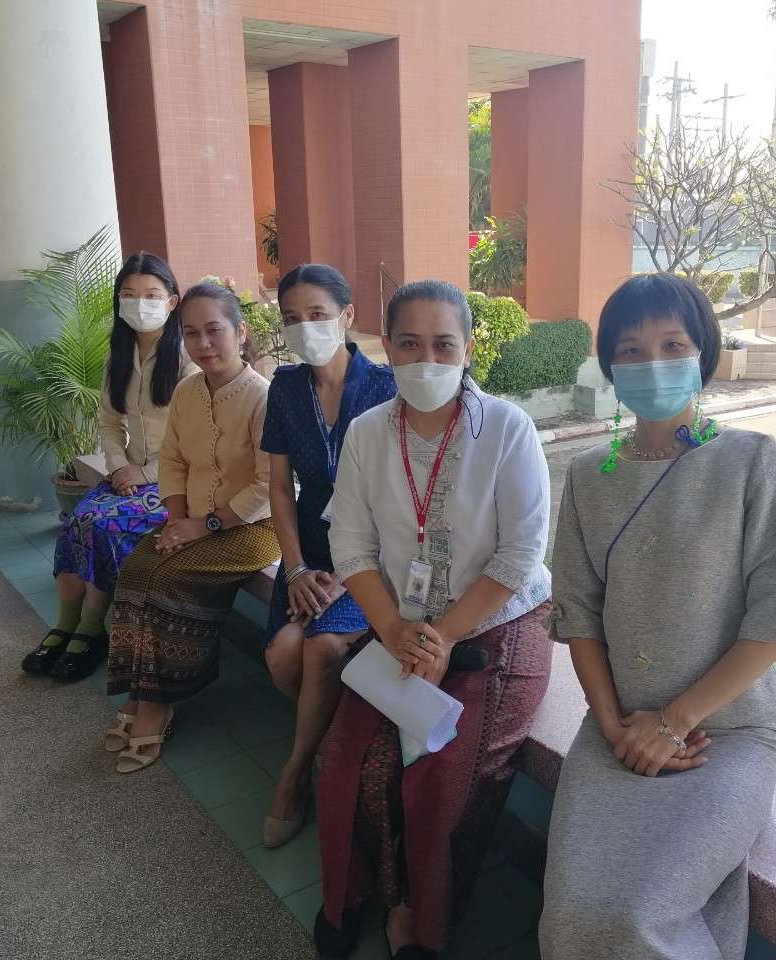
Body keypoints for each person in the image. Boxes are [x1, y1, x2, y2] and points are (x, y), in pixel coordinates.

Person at [537, 272, 776, 960]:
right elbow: (578, 615)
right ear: (610, 365)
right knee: (571, 911)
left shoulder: (751, 460)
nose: (652, 363)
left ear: (702, 352)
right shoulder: (590, 474)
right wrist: (613, 726)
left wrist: (673, 721)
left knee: (638, 916)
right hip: (618, 727)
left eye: (672, 344)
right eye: (631, 350)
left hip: (729, 733)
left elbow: (772, 623)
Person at [314, 280, 552, 960]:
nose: (427, 360)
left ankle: (420, 918)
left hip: (499, 622)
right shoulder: (366, 433)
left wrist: (446, 635)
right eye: (409, 344)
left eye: (443, 344)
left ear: (468, 348)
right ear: (386, 348)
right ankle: (351, 892)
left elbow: (521, 553)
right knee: (346, 761)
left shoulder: (506, 428)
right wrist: (394, 631)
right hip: (400, 621)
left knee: (445, 780)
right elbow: (351, 547)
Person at [102, 282, 281, 774]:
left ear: (240, 332)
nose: (203, 343)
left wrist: (206, 524)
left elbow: (269, 484)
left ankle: (158, 705)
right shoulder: (186, 391)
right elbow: (174, 460)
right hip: (194, 519)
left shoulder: (263, 397)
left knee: (167, 579)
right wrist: (179, 519)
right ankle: (140, 693)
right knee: (136, 570)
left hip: (253, 528)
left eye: (214, 330)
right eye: (191, 333)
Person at [261, 264, 396, 849]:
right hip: (309, 557)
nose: (305, 327)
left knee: (320, 650)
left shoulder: (386, 387)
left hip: (374, 555)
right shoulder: (286, 388)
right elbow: (279, 489)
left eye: (317, 314)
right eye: (292, 318)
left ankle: (295, 775)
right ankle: (336, 744)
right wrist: (294, 569)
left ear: (347, 315)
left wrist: (350, 574)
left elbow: (400, 498)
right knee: (281, 656)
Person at [22, 252, 197, 682]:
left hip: (177, 483)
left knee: (105, 527)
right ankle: (64, 624)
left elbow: (195, 438)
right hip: (128, 476)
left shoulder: (187, 358)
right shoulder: (118, 354)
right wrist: (119, 466)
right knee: (77, 522)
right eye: (130, 295)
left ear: (172, 301)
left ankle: (90, 629)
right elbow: (108, 421)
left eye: (152, 295)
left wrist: (147, 473)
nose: (140, 304)